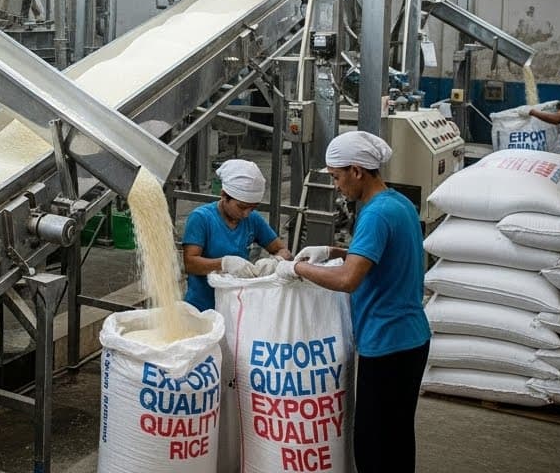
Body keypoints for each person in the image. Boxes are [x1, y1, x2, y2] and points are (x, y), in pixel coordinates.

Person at [276, 131, 430, 473]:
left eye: (336, 177)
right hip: (413, 339)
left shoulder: (374, 214)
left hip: (387, 343)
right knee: (398, 438)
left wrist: (297, 268)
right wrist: (332, 251)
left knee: (373, 445)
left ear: (357, 171)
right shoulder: (399, 203)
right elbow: (380, 256)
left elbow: (348, 279)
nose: (336, 186)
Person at [181, 159, 291, 311]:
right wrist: (224, 264)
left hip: (238, 306)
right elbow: (190, 263)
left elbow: (283, 251)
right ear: (224, 196)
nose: (246, 214)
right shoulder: (201, 218)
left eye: (252, 208)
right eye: (242, 207)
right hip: (203, 308)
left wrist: (275, 261)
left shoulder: (253, 219)